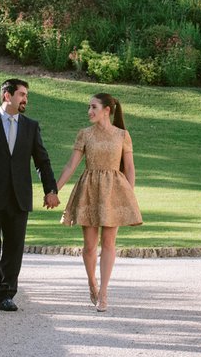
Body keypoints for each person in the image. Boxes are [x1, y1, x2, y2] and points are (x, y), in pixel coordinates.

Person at [0, 78, 59, 312]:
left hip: (20, 197)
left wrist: (50, 190)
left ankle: (7, 294)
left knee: (14, 245)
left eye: (26, 95)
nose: (25, 99)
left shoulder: (31, 126)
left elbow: (42, 161)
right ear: (7, 96)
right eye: (21, 94)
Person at [56, 92, 143, 311]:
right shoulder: (84, 134)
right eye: (88, 107)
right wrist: (54, 190)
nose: (89, 111)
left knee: (109, 244)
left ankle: (104, 292)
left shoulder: (122, 135)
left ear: (107, 110)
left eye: (93, 107)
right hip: (89, 189)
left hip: (114, 190)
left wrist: (129, 195)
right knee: (89, 247)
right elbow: (71, 166)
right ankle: (91, 282)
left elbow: (130, 167)